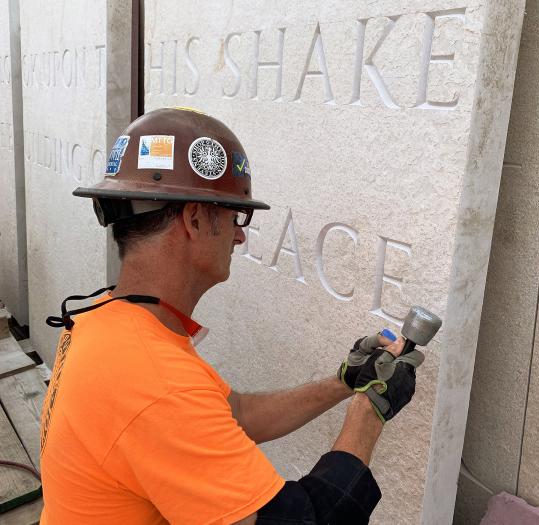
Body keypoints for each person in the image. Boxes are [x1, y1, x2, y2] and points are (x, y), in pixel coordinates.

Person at [40, 107, 424, 524]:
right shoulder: (154, 381)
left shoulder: (107, 320)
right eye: (235, 216)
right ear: (194, 218)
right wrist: (370, 410)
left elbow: (235, 414)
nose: (240, 235)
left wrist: (344, 382)